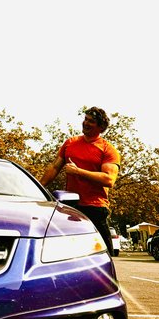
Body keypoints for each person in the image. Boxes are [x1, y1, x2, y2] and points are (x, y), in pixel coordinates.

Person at [39, 107, 120, 255]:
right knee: (67, 252)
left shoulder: (108, 149)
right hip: (71, 206)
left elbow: (109, 179)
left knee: (103, 255)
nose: (86, 123)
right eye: (85, 119)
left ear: (101, 127)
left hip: (95, 207)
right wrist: (38, 187)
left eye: (91, 121)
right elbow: (55, 167)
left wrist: (78, 172)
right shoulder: (70, 143)